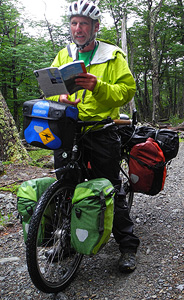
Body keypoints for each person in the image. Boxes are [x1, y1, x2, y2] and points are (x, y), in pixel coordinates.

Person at [48, 0, 140, 273]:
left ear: (95, 27)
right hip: (68, 128)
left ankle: (127, 246)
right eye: (74, 23)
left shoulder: (112, 55)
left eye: (83, 24)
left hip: (101, 129)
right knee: (66, 186)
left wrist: (98, 87)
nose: (78, 28)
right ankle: (66, 241)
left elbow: (126, 91)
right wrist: (60, 96)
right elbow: (49, 87)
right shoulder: (64, 54)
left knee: (109, 187)